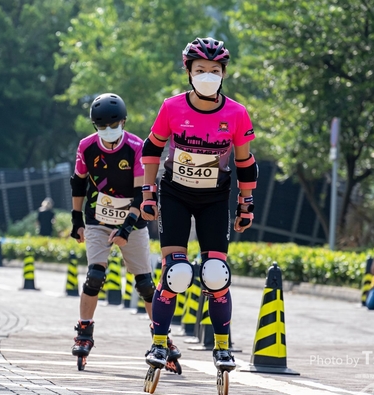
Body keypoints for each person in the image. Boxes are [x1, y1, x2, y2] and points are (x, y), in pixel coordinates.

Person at [140, 37, 257, 374]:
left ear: (224, 74)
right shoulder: (172, 107)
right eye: (201, 69)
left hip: (214, 198)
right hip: (175, 194)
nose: (208, 76)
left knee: (216, 274)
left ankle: (222, 347)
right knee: (176, 273)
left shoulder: (236, 113)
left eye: (215, 70)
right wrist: (148, 193)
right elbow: (151, 149)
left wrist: (246, 204)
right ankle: (159, 343)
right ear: (189, 72)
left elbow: (245, 163)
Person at [69, 93, 181, 371]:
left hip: (133, 219)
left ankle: (162, 338)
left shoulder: (135, 147)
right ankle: (84, 331)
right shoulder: (86, 146)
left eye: (114, 124)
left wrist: (126, 228)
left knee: (145, 284)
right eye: (102, 126)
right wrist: (76, 220)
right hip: (98, 218)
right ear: (95, 125)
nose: (108, 130)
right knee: (95, 276)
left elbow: (140, 193)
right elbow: (79, 183)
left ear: (123, 122)